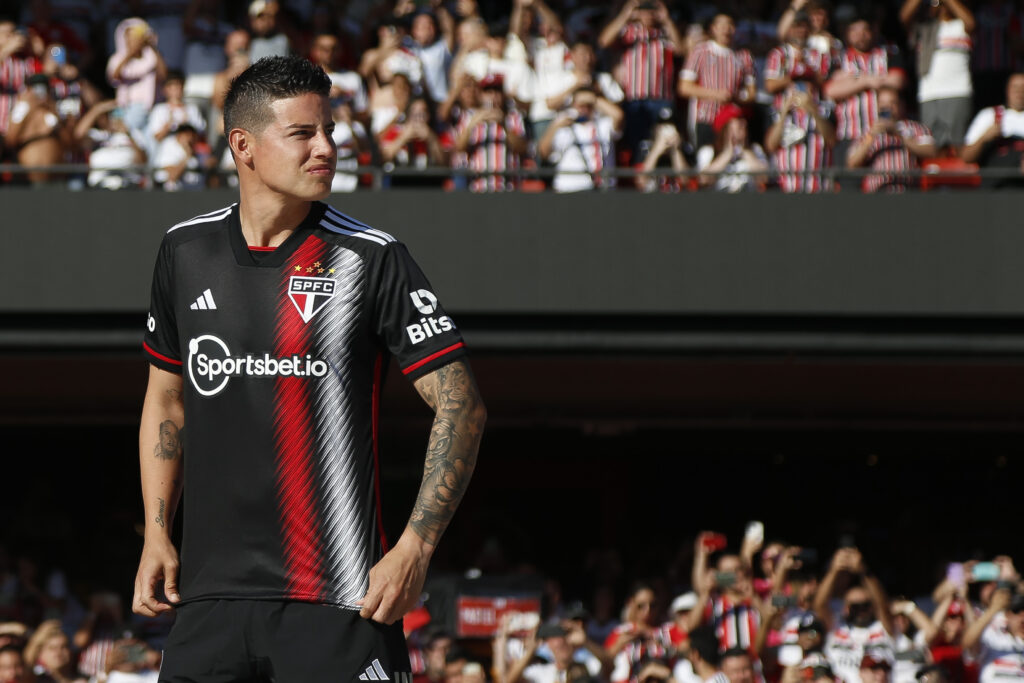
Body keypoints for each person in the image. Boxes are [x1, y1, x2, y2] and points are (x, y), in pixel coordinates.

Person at [132, 55, 486, 681]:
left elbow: (461, 404)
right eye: (302, 134)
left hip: (340, 601)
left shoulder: (372, 258)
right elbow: (167, 403)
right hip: (209, 603)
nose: (326, 148)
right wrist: (157, 535)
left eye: (329, 131)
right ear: (242, 145)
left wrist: (416, 548)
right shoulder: (183, 250)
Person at [823, 17, 906, 169]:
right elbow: (831, 90)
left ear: (873, 31)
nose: (860, 35)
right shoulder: (839, 59)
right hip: (849, 134)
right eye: (855, 31)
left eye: (864, 31)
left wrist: (851, 81)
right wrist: (866, 81)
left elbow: (897, 80)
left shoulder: (887, 53)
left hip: (882, 135)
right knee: (849, 185)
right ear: (847, 33)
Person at [899, 0, 975, 152]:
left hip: (957, 92)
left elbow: (970, 22)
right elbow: (903, 17)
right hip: (928, 94)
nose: (934, 7)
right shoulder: (923, 28)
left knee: (957, 145)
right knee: (932, 145)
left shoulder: (959, 26)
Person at [678, 12, 756, 150]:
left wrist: (736, 97)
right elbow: (684, 87)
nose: (726, 29)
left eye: (730, 25)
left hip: (732, 122)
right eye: (722, 25)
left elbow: (752, 93)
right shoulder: (700, 52)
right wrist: (715, 94)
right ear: (713, 28)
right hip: (705, 118)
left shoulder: (743, 56)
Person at [846, 86, 936, 192]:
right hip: (877, 193)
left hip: (907, 191)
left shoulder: (915, 128)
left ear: (901, 105)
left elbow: (932, 151)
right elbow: (851, 164)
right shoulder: (868, 131)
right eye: (883, 103)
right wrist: (871, 138)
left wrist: (899, 135)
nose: (887, 107)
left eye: (892, 103)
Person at [538, 85, 623, 193]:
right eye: (580, 105)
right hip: (570, 189)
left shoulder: (603, 125)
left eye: (588, 105)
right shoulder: (564, 127)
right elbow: (543, 152)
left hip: (602, 190)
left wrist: (594, 99)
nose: (584, 108)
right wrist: (555, 127)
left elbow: (618, 116)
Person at [961, 72, 1024, 188]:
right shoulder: (989, 115)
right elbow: (966, 157)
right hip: (996, 186)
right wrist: (985, 137)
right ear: (1007, 90)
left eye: (1023, 87)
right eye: (1015, 87)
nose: (1019, 91)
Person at [696, 103, 768, 192]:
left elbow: (765, 178)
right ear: (726, 125)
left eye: (744, 119)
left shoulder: (755, 149)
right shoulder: (708, 151)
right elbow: (704, 180)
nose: (744, 123)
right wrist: (727, 155)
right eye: (738, 119)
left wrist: (745, 152)